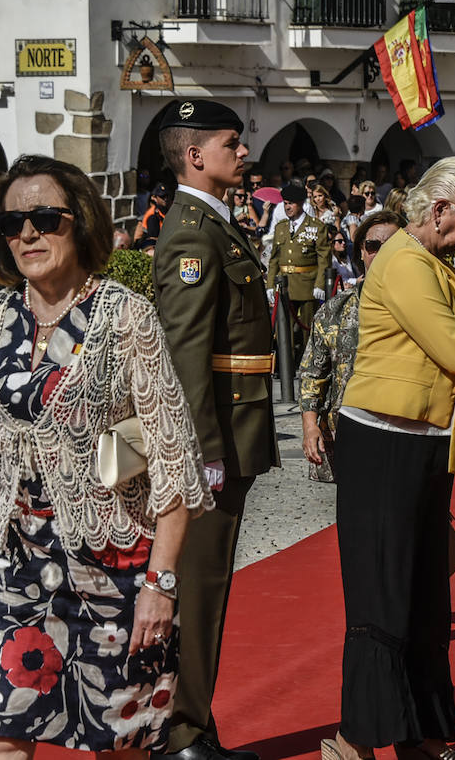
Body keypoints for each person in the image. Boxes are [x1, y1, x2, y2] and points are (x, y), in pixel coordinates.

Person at [0, 154, 212, 755]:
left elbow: (172, 460)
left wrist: (161, 586)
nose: (28, 234)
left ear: (82, 222)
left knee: (119, 745)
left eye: (44, 217)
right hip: (8, 563)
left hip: (114, 565)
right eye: (11, 224)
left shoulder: (127, 317)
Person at [330, 157, 455, 760]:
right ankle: (358, 739)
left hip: (420, 443)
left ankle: (416, 737)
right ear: (440, 209)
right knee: (385, 593)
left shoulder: (425, 261)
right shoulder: (403, 259)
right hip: (385, 442)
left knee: (423, 598)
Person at [153, 100, 280, 760]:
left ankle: (193, 722)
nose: (245, 152)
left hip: (234, 429)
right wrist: (198, 455)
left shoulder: (215, 226)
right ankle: (182, 732)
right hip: (216, 439)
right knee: (198, 589)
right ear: (197, 155)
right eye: (233, 143)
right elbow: (184, 356)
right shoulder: (193, 234)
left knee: (209, 586)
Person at [299, 210, 404, 484]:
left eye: (392, 246)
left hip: (404, 432)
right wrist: (310, 426)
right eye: (372, 246)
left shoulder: (421, 306)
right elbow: (313, 374)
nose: (381, 254)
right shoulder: (335, 309)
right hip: (348, 434)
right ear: (360, 252)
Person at [267, 183, 331, 363]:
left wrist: (319, 284)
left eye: (291, 203)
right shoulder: (281, 228)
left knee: (307, 329)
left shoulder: (316, 227)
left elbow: (323, 258)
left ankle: (308, 363)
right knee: (283, 328)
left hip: (307, 284)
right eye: (285, 203)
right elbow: (274, 259)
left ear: (301, 203)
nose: (287, 207)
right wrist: (270, 286)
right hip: (285, 285)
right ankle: (285, 363)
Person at [133, 183, 170, 250]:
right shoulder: (152, 216)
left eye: (166, 196)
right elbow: (152, 241)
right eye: (162, 197)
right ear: (154, 198)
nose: (165, 199)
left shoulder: (168, 210)